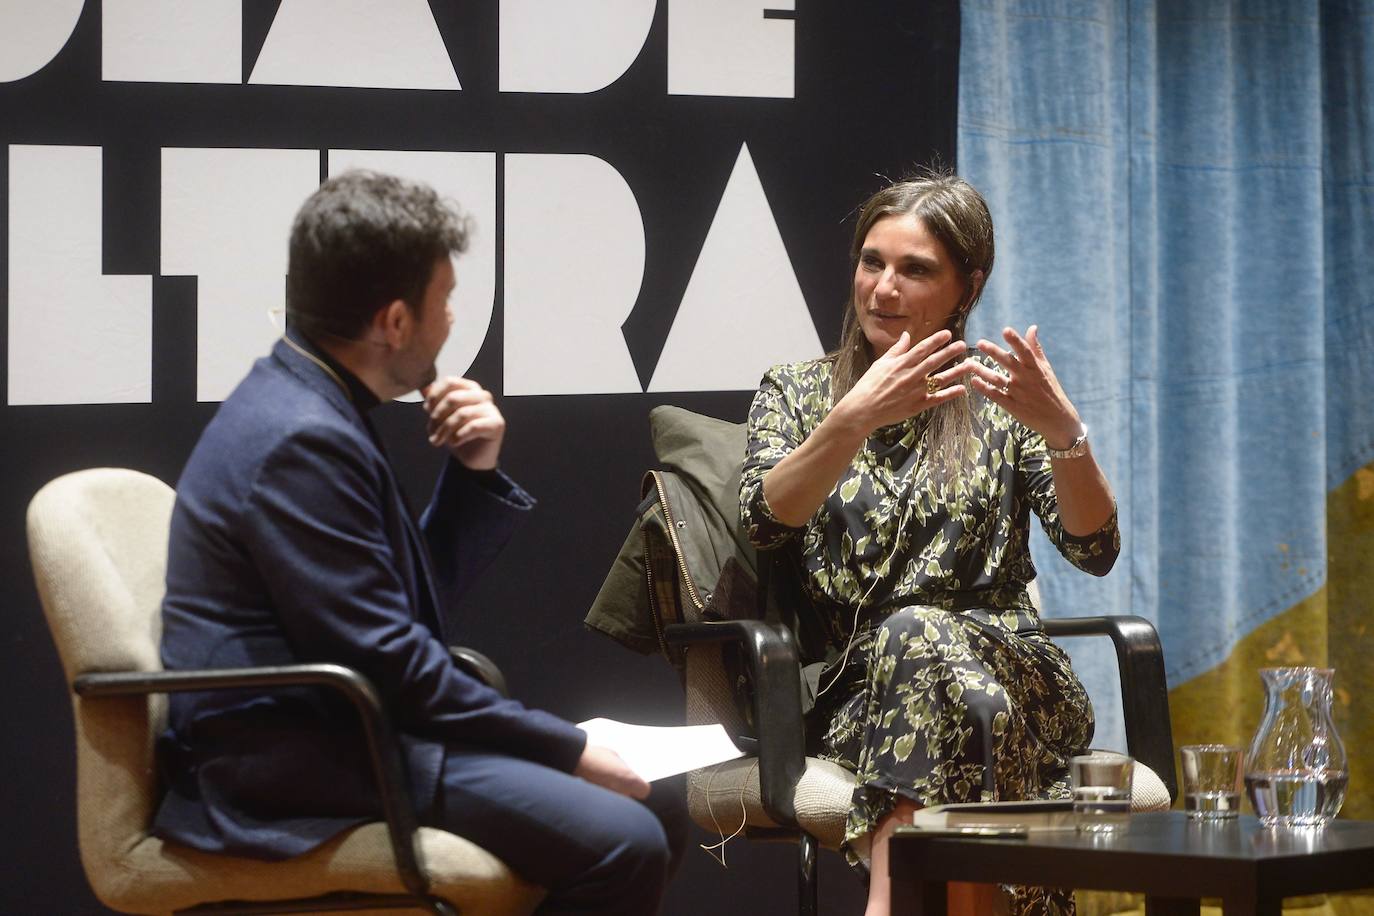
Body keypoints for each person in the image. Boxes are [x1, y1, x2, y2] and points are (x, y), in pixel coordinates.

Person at [154, 170, 671, 915]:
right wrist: (565, 746)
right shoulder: (301, 438)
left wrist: (473, 471)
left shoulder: (312, 401)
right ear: (396, 322)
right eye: (446, 300)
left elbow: (388, 616)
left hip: (346, 728)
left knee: (655, 809)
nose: (453, 320)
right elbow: (393, 665)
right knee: (630, 837)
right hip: (296, 760)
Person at [740, 173, 1119, 916]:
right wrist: (849, 422)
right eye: (871, 261)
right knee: (926, 659)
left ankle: (887, 904)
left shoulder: (1000, 406)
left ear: (966, 286)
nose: (883, 288)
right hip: (862, 690)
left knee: (928, 643)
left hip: (1019, 680)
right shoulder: (797, 394)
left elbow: (1093, 548)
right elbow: (766, 520)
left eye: (914, 269)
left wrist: (1067, 437)